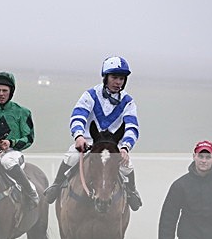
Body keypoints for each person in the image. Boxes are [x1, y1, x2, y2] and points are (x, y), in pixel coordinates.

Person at [44, 56, 142, 210]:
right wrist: (79, 136)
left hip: (113, 146)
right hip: (89, 142)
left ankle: (131, 191)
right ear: (106, 77)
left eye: (121, 79)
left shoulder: (128, 102)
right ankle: (56, 185)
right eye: (114, 77)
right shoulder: (90, 95)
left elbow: (132, 127)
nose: (118, 82)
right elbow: (78, 116)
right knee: (71, 156)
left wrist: (125, 147)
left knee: (127, 166)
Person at [0, 71, 39, 208]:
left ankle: (30, 191)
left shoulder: (23, 112)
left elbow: (29, 138)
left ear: (11, 92)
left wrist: (11, 142)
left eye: (4, 91)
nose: (1, 94)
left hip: (13, 153)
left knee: (7, 161)